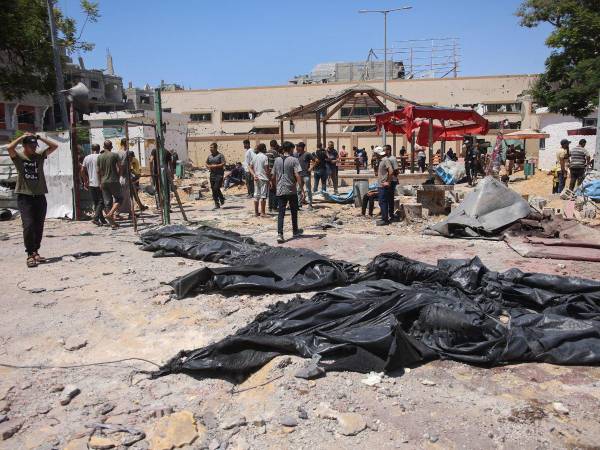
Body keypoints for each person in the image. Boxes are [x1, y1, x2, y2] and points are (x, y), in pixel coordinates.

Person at [7, 133, 58, 267]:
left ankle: (35, 251)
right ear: (24, 146)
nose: (34, 148)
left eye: (35, 145)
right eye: (31, 145)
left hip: (40, 195)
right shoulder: (19, 157)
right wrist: (22, 137)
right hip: (25, 196)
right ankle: (30, 254)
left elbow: (54, 146)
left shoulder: (39, 156)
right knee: (28, 225)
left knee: (38, 226)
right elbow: (10, 148)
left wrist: (39, 137)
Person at [272, 141, 303, 243]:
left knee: (281, 213)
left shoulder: (277, 160)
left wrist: (275, 186)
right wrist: (302, 188)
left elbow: (273, 175)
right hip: (291, 189)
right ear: (290, 149)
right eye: (293, 149)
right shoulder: (294, 160)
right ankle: (295, 230)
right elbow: (297, 174)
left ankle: (280, 234)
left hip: (280, 190)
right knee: (294, 211)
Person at [97, 140, 122, 229]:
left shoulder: (100, 157)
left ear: (103, 147)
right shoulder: (115, 155)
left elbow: (98, 171)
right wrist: (118, 177)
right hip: (113, 180)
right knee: (119, 199)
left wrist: (100, 182)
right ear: (111, 147)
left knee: (107, 203)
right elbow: (120, 167)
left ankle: (112, 223)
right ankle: (110, 214)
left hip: (103, 181)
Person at [81, 144, 108, 227]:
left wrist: (85, 180)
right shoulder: (101, 157)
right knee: (102, 201)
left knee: (96, 202)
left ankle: (102, 219)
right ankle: (96, 218)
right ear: (99, 149)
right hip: (100, 182)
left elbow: (82, 170)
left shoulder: (87, 158)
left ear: (91, 149)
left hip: (91, 183)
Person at [249, 143, 269, 217]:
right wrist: (269, 179)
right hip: (263, 178)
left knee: (256, 195)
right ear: (264, 149)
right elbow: (267, 169)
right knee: (263, 196)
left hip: (256, 178)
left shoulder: (255, 157)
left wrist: (254, 175)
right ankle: (263, 213)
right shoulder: (265, 157)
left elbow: (250, 167)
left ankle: (256, 212)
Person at [375, 147, 393, 226]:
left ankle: (385, 219)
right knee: (382, 202)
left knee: (383, 202)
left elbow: (391, 171)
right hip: (380, 184)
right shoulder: (381, 161)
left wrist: (388, 182)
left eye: (375, 154)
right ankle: (384, 217)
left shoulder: (385, 160)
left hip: (383, 185)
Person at [206, 142, 226, 209]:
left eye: (211, 147)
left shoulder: (220, 155)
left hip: (219, 174)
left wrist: (216, 166)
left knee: (216, 187)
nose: (210, 149)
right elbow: (206, 163)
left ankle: (221, 198)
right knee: (213, 189)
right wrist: (208, 166)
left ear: (216, 148)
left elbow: (223, 163)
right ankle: (216, 203)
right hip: (212, 174)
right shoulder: (209, 156)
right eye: (210, 147)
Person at [295, 142, 313, 210]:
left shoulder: (307, 154)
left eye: (298, 147)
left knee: (308, 190)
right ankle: (299, 204)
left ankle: (310, 204)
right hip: (299, 176)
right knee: (298, 190)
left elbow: (316, 161)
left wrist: (311, 168)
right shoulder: (296, 155)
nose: (297, 148)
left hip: (306, 175)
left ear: (301, 147)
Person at [384, 145, 399, 222]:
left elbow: (396, 171)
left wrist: (392, 178)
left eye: (385, 150)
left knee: (390, 199)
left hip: (392, 181)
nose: (384, 151)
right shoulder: (385, 159)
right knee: (386, 198)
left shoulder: (392, 159)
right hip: (387, 181)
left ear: (389, 150)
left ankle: (391, 214)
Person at [267, 140, 280, 212]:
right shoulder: (274, 152)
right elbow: (277, 162)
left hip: (268, 173)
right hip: (273, 173)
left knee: (270, 190)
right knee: (275, 190)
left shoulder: (267, 152)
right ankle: (274, 207)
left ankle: (270, 207)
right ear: (275, 145)